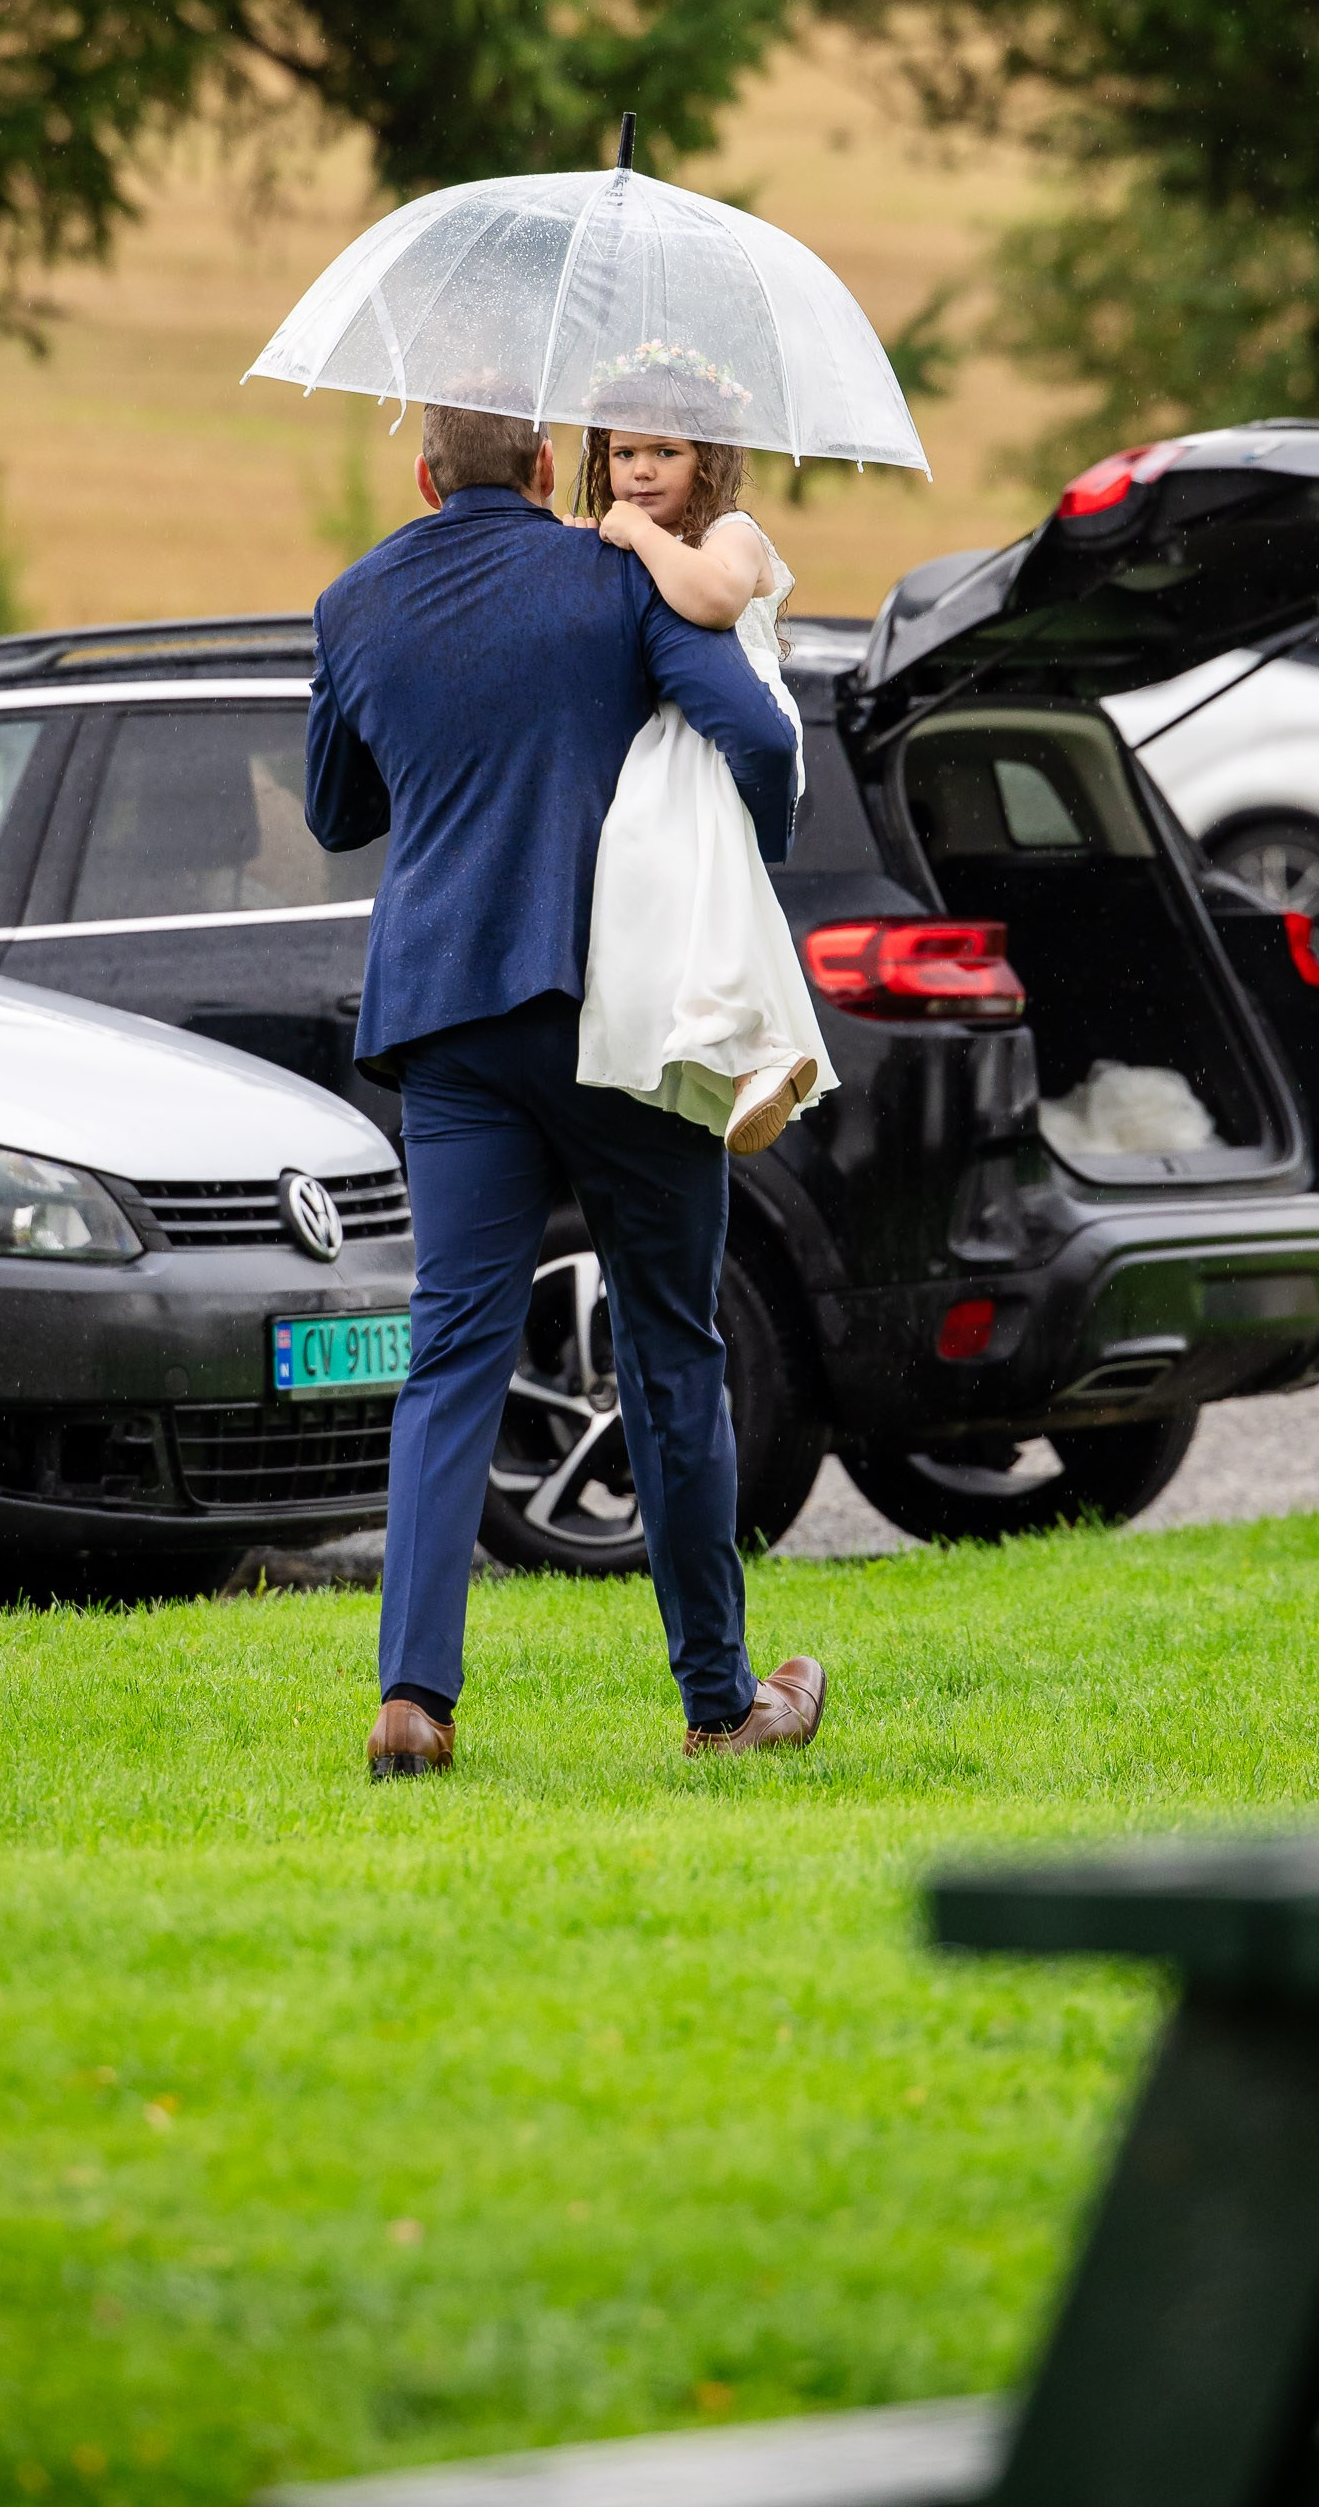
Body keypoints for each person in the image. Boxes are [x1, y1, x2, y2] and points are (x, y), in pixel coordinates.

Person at [304, 399, 828, 1779]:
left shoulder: (352, 600)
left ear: (425, 478)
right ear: (547, 470)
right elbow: (754, 734)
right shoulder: (620, 567)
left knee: (453, 1348)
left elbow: (335, 811)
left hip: (447, 1018)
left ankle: (412, 1701)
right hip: (617, 1014)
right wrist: (756, 848)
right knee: (671, 1346)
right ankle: (719, 1702)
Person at [574, 420, 838, 1157]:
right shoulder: (627, 534)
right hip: (673, 736)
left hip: (731, 728)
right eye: (623, 455)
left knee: (712, 870)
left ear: (709, 460)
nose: (642, 473)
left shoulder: (734, 531)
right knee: (648, 867)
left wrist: (636, 533)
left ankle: (759, 1043)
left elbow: (716, 599)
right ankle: (709, 1051)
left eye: (667, 453)